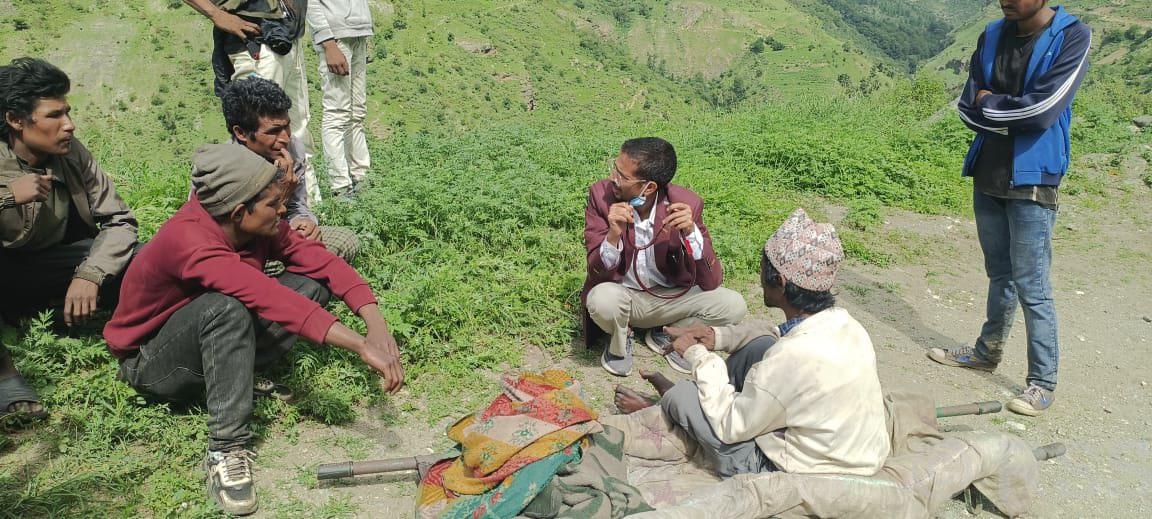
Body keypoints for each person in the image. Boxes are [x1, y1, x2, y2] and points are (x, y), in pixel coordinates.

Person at [103, 144, 403, 515]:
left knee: (312, 283)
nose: (283, 211)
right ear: (239, 212)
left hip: (204, 337)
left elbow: (322, 262)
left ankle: (238, 374)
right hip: (151, 362)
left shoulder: (254, 223)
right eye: (274, 204)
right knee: (224, 309)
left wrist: (376, 325)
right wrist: (360, 346)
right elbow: (269, 297)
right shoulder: (191, 241)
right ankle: (225, 449)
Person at [614, 208, 890, 478]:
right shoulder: (847, 324)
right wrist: (716, 336)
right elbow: (778, 334)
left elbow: (731, 426)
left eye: (761, 269)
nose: (759, 278)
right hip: (851, 450)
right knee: (758, 346)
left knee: (684, 394)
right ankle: (689, 408)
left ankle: (670, 408)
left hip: (804, 468)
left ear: (779, 281)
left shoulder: (792, 357)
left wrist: (697, 354)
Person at [931, 0, 1091, 417]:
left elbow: (1042, 111)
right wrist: (1007, 108)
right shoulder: (991, 35)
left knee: (1031, 284)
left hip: (1034, 176)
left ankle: (1042, 382)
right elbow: (967, 106)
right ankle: (987, 352)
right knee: (998, 272)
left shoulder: (1072, 36)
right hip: (988, 170)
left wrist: (992, 102)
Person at [0, 58, 138, 422]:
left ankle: (142, 340)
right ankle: (4, 374)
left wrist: (90, 273)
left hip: (57, 265)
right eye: (54, 115)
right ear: (15, 120)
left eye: (67, 112)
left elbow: (119, 220)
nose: (69, 124)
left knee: (147, 259)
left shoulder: (71, 152)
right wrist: (8, 196)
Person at [583, 137, 746, 377]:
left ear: (649, 187)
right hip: (624, 298)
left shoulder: (686, 203)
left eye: (622, 176)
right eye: (614, 168)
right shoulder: (601, 196)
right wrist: (613, 235)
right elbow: (595, 272)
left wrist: (690, 233)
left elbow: (711, 281)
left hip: (669, 298)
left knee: (733, 305)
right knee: (601, 299)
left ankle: (667, 333)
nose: (612, 178)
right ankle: (621, 338)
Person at [182, 0, 321, 204]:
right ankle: (242, 207)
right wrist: (216, 14)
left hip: (287, 35)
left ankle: (307, 208)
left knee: (296, 132)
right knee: (255, 134)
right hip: (256, 40)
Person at [221, 77, 359, 262]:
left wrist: (304, 222)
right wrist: (281, 194)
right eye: (273, 131)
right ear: (241, 133)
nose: (285, 138)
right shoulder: (221, 168)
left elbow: (297, 206)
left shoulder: (292, 149)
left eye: (287, 126)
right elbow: (222, 233)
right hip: (241, 250)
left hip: (280, 235)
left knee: (344, 241)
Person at [306, 0, 373, 198]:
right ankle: (340, 187)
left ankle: (362, 178)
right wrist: (328, 43)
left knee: (357, 113)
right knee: (337, 113)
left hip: (357, 33)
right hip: (336, 38)